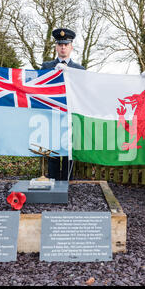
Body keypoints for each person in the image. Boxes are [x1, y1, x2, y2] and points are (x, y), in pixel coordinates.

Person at [41, 28, 85, 181]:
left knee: (68, 156)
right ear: (56, 47)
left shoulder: (79, 70)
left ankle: (67, 186)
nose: (63, 47)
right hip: (51, 116)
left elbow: (83, 94)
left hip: (70, 118)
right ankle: (52, 184)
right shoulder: (46, 67)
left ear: (71, 46)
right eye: (60, 44)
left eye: (66, 44)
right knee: (52, 154)